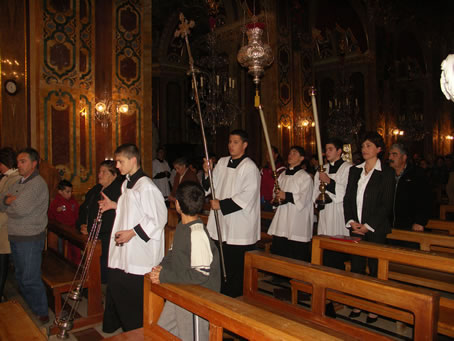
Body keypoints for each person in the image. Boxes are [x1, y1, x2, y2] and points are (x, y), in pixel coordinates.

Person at [101, 143, 167, 333]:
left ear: (133, 160)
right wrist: (114, 205)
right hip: (127, 250)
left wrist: (132, 233)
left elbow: (158, 218)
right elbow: (133, 210)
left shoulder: (146, 186)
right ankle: (125, 328)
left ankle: (138, 330)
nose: (118, 166)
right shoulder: (127, 182)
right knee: (116, 283)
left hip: (140, 252)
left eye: (120, 162)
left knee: (132, 296)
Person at [147, 181, 220, 340]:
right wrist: (159, 268)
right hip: (182, 288)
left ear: (178, 205)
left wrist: (164, 276)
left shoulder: (197, 233)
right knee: (163, 331)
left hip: (198, 297)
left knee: (191, 336)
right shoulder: (182, 226)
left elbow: (201, 274)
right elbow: (173, 254)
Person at [343, 132, 395, 323]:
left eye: (369, 146)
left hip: (376, 228)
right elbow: (348, 198)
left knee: (374, 268)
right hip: (355, 227)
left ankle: (374, 307)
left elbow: (386, 204)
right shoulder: (355, 170)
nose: (365, 149)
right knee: (356, 266)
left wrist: (367, 225)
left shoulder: (386, 173)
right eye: (363, 146)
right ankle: (357, 303)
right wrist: (351, 221)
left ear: (379, 149)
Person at [202, 129, 260, 298]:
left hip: (239, 225)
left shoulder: (249, 167)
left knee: (235, 267)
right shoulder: (222, 162)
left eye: (235, 142)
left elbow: (247, 195)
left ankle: (235, 299)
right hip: (221, 222)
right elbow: (212, 186)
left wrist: (221, 204)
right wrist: (207, 172)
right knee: (220, 263)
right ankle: (220, 293)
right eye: (229, 142)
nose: (231, 146)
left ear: (245, 145)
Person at [0, 148, 49, 322]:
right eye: (18, 161)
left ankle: (42, 312)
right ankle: (32, 307)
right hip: (16, 236)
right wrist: (9, 200)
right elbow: (1, 200)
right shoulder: (20, 182)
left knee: (30, 278)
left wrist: (11, 202)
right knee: (21, 276)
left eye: (23, 161)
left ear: (34, 164)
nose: (18, 165)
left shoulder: (37, 184)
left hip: (29, 238)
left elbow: (20, 209)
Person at [76, 160, 122, 283]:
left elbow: (112, 218)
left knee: (102, 273)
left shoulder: (119, 192)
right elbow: (84, 208)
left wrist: (90, 228)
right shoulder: (96, 189)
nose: (99, 175)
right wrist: (81, 224)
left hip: (106, 239)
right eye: (99, 172)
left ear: (114, 175)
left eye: (104, 172)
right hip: (90, 234)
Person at [268, 146, 313, 262]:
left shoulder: (305, 177)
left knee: (295, 253)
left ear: (301, 158)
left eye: (294, 153)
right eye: (290, 152)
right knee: (280, 250)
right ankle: (279, 277)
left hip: (297, 219)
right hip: (282, 218)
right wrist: (276, 198)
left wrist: (286, 195)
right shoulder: (282, 175)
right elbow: (276, 192)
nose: (290, 155)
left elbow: (304, 198)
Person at [313, 138, 352, 270]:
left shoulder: (349, 169)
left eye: (330, 149)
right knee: (324, 249)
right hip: (325, 213)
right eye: (326, 149)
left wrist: (329, 181)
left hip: (339, 213)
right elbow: (315, 192)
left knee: (338, 250)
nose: (327, 152)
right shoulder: (322, 169)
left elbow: (347, 192)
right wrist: (318, 201)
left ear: (339, 151)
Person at [388, 143, 431, 248]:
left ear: (404, 157)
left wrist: (420, 221)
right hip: (389, 226)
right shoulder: (386, 174)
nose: (390, 158)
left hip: (409, 225)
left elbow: (425, 199)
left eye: (394, 155)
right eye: (389, 154)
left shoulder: (417, 174)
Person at [0, 148, 21, 302]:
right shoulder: (7, 177)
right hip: (4, 225)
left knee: (4, 260)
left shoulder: (14, 179)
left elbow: (10, 206)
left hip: (7, 226)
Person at [48, 180, 80, 264]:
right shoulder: (56, 202)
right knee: (62, 252)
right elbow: (51, 216)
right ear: (60, 192)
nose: (70, 194)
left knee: (75, 251)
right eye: (67, 192)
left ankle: (75, 266)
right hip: (61, 231)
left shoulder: (73, 201)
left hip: (73, 230)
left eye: (71, 191)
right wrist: (56, 211)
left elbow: (77, 214)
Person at [260, 146, 285, 211]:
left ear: (276, 155)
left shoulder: (282, 170)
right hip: (263, 201)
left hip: (274, 201)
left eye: (270, 153)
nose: (268, 155)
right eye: (266, 153)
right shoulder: (264, 169)